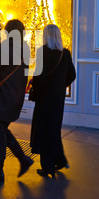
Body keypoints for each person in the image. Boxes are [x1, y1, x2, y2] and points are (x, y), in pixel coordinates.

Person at [0, 19, 33, 182]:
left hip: (1, 98)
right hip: (15, 99)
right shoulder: (25, 49)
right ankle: (23, 160)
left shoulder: (5, 49)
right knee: (1, 131)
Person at [30, 24, 76, 178]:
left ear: (46, 36)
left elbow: (39, 76)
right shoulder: (66, 54)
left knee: (43, 130)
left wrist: (34, 87)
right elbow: (72, 75)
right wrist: (60, 85)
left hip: (44, 97)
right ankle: (59, 160)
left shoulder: (43, 52)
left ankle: (48, 167)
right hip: (58, 98)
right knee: (54, 128)